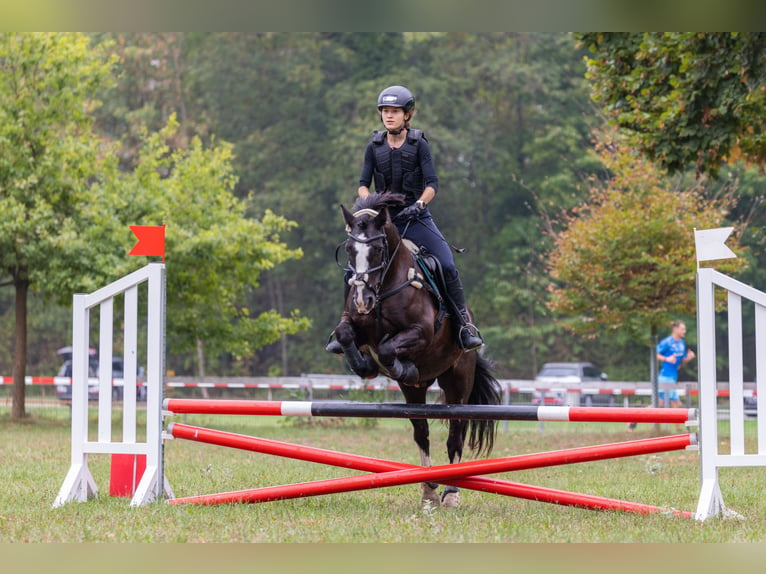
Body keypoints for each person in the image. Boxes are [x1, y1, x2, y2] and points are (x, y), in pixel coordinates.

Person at [326, 84, 483, 354]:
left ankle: (463, 326)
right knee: (354, 270)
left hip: (416, 217)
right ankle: (343, 325)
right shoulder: (373, 147)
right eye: (385, 111)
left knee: (446, 264)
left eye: (395, 112)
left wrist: (420, 204)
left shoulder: (419, 144)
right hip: (381, 220)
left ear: (407, 115)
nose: (389, 116)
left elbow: (432, 184)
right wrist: (368, 205)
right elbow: (363, 184)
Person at [627, 320, 696, 431]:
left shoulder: (682, 344)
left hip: (673, 377)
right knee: (676, 403)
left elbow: (679, 364)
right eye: (682, 329)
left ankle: (634, 419)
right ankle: (680, 430)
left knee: (658, 404)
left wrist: (688, 358)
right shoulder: (667, 342)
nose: (685, 331)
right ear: (675, 329)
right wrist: (666, 358)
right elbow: (655, 353)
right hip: (665, 377)